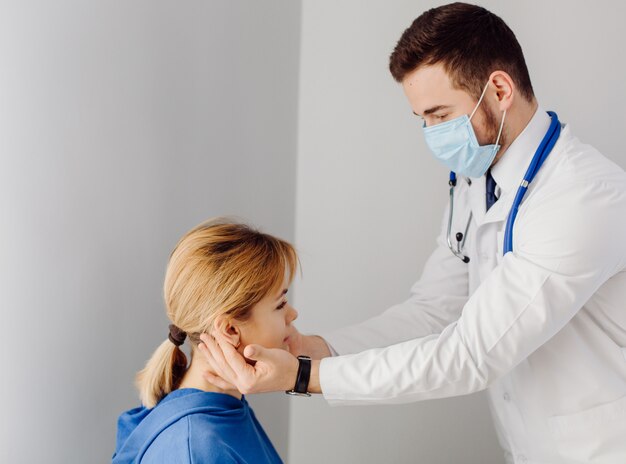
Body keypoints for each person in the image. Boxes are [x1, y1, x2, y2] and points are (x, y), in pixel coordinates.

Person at [198, 3, 626, 463]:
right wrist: (313, 351)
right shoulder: (477, 179)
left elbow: (470, 355)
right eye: (421, 119)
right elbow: (431, 312)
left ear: (499, 89)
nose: (431, 134)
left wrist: (305, 377)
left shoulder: (583, 197)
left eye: (441, 115)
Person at [112, 219, 299, 463]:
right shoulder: (194, 448)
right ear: (230, 329)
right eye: (280, 304)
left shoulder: (225, 409)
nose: (292, 314)